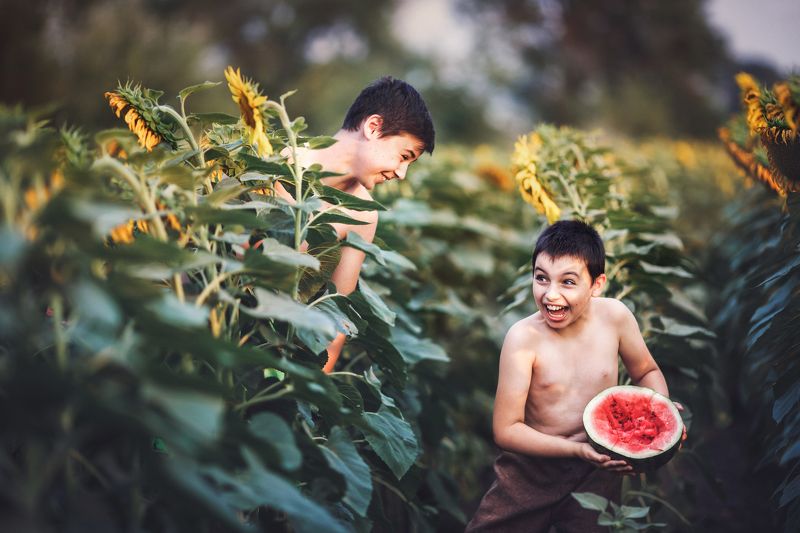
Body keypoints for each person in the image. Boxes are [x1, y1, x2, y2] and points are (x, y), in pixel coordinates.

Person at [466, 220, 684, 532]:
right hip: (530, 472)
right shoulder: (523, 338)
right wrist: (577, 449)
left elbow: (646, 371)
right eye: (541, 278)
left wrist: (659, 412)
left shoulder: (616, 318)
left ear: (597, 284)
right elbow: (506, 430)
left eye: (568, 282)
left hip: (598, 473)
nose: (550, 294)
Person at [271, 76, 434, 373]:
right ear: (373, 127)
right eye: (404, 156)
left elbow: (335, 314)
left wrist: (314, 393)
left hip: (278, 350)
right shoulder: (280, 163)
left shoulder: (363, 214)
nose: (402, 173)